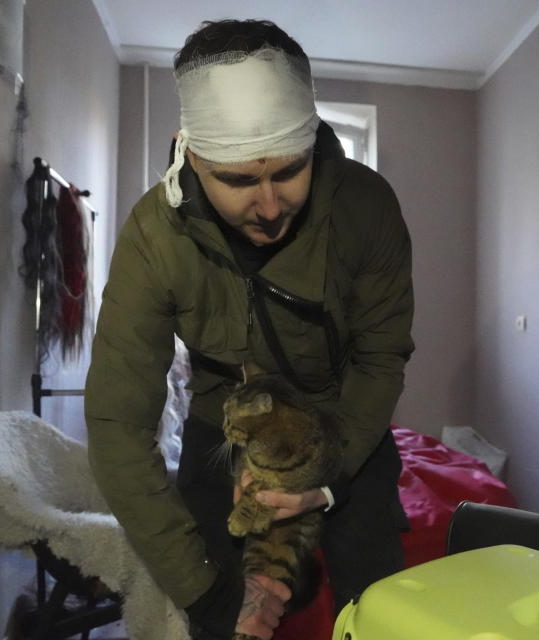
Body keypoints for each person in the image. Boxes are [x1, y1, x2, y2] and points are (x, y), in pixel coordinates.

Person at [84, 19, 414, 640]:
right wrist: (210, 595)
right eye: (238, 179)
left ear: (313, 141)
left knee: (381, 608)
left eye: (289, 171)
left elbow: (380, 359)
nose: (268, 207)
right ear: (190, 152)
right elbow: (117, 424)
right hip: (223, 428)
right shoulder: (154, 237)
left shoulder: (367, 208)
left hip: (342, 422)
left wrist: (330, 479)